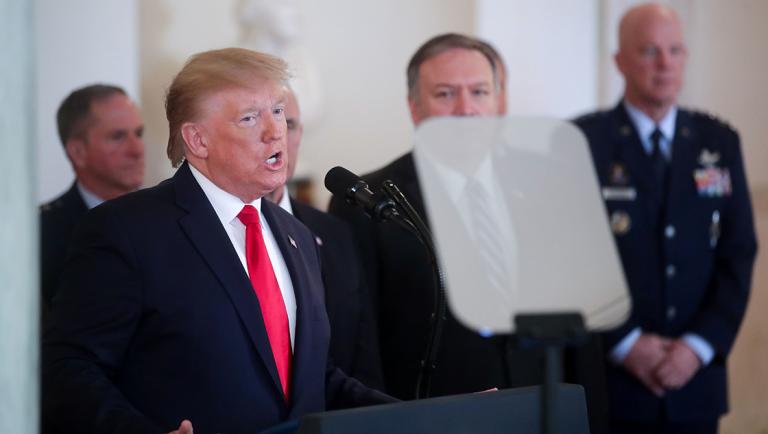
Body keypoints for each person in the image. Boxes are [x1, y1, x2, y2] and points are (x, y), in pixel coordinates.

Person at [42, 48, 393, 434]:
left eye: (277, 111)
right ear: (197, 140)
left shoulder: (298, 236)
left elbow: (311, 378)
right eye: (249, 118)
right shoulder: (125, 230)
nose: (275, 131)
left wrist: (420, 417)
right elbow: (70, 369)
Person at [328, 33, 608, 434]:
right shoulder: (367, 204)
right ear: (414, 107)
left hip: (544, 413)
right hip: (436, 420)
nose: (466, 109)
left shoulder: (551, 186)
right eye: (445, 94)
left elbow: (584, 332)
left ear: (500, 102)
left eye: (479, 92)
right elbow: (363, 348)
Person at [573, 4, 758, 433]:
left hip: (695, 382)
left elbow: (739, 253)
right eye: (649, 51)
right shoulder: (584, 141)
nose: (665, 64)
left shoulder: (718, 141)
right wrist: (625, 343)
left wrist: (698, 346)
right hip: (611, 382)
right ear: (619, 60)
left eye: (675, 51)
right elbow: (574, 259)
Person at [266, 87, 384, 388]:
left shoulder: (334, 232)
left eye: (287, 123)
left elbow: (363, 356)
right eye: (253, 119)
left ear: (300, 134)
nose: (277, 135)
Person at [40, 84, 145, 307]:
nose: (137, 150)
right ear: (78, 152)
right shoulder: (39, 234)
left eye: (138, 134)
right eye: (118, 137)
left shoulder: (168, 221)